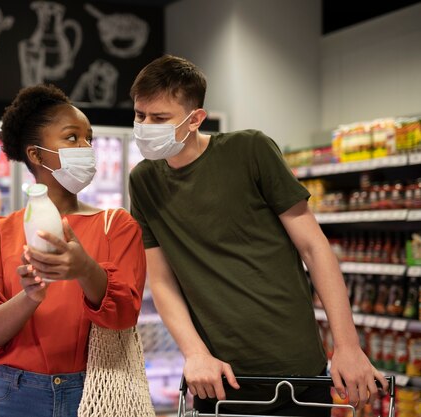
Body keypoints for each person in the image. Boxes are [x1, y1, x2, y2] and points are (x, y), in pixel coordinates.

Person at [127, 55, 388, 416]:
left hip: (294, 368)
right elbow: (162, 280)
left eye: (159, 118)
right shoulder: (143, 181)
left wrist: (347, 346)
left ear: (195, 119)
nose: (145, 126)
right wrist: (195, 353)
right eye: (140, 116)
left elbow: (314, 248)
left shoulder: (250, 150)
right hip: (218, 376)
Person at [0, 84, 146, 417]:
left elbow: (124, 315)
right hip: (14, 396)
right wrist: (29, 296)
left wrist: (85, 269)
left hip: (96, 391)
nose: (86, 147)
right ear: (36, 154)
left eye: (89, 138)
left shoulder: (117, 226)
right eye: (72, 138)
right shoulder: (0, 233)